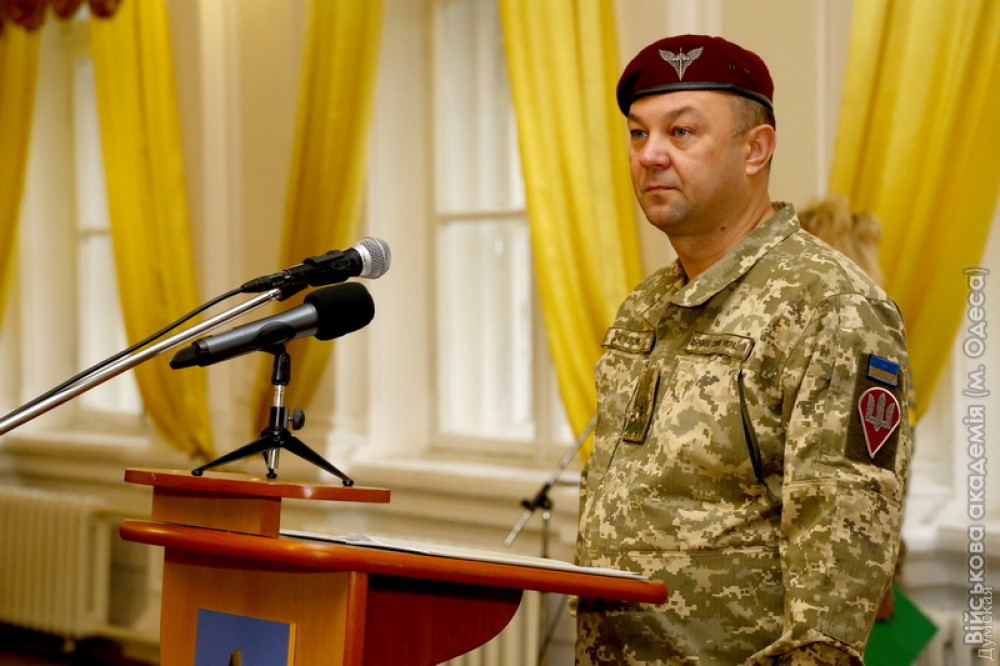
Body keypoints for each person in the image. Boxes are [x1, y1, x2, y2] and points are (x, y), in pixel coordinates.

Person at [575, 35, 912, 665]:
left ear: (755, 149)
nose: (650, 155)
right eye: (638, 134)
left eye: (681, 132)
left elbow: (841, 538)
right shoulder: (646, 305)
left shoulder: (830, 304)